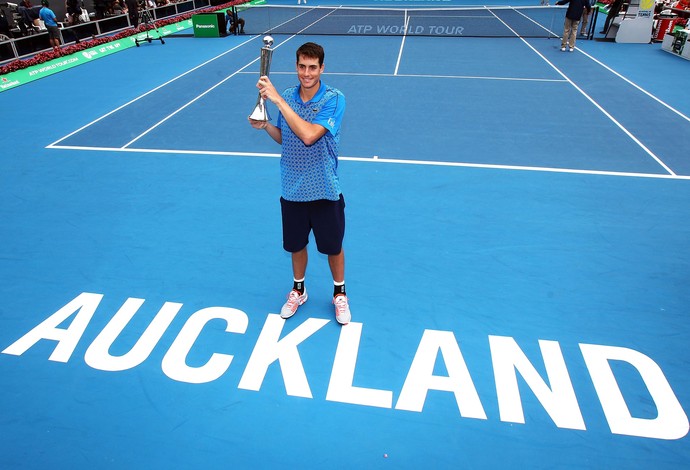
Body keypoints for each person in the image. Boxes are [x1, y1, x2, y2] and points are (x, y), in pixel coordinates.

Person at [248, 42, 350, 325]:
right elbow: (287, 137)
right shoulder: (290, 97)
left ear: (322, 68)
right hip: (291, 186)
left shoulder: (334, 98)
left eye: (312, 68)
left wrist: (277, 100)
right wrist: (266, 125)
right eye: (302, 67)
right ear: (296, 67)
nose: (307, 73)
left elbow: (308, 135)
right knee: (296, 245)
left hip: (324, 187)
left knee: (333, 246)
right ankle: (299, 290)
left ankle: (339, 294)